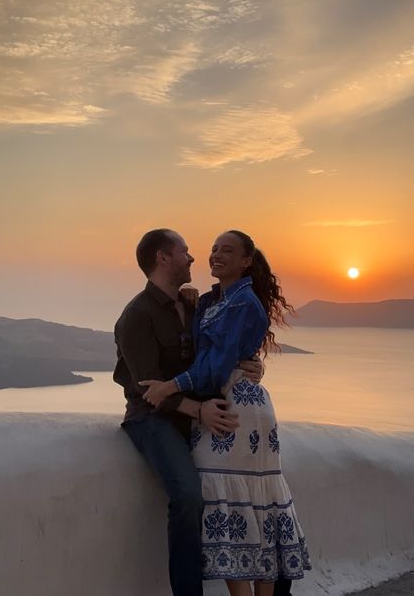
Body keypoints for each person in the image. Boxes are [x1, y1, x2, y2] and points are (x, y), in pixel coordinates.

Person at [140, 230, 311, 596]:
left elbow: (215, 368)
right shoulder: (212, 300)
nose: (215, 255)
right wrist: (191, 303)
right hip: (227, 404)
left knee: (243, 505)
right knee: (244, 507)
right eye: (214, 248)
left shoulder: (244, 303)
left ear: (246, 261)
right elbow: (202, 351)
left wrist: (169, 386)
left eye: (227, 250)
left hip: (235, 411)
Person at [113, 229, 265, 596]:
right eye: (185, 251)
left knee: (256, 494)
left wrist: (250, 364)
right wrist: (198, 410)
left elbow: (219, 351)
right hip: (153, 419)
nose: (194, 257)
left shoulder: (195, 304)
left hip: (198, 415)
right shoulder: (136, 316)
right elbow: (148, 389)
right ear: (163, 258)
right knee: (188, 497)